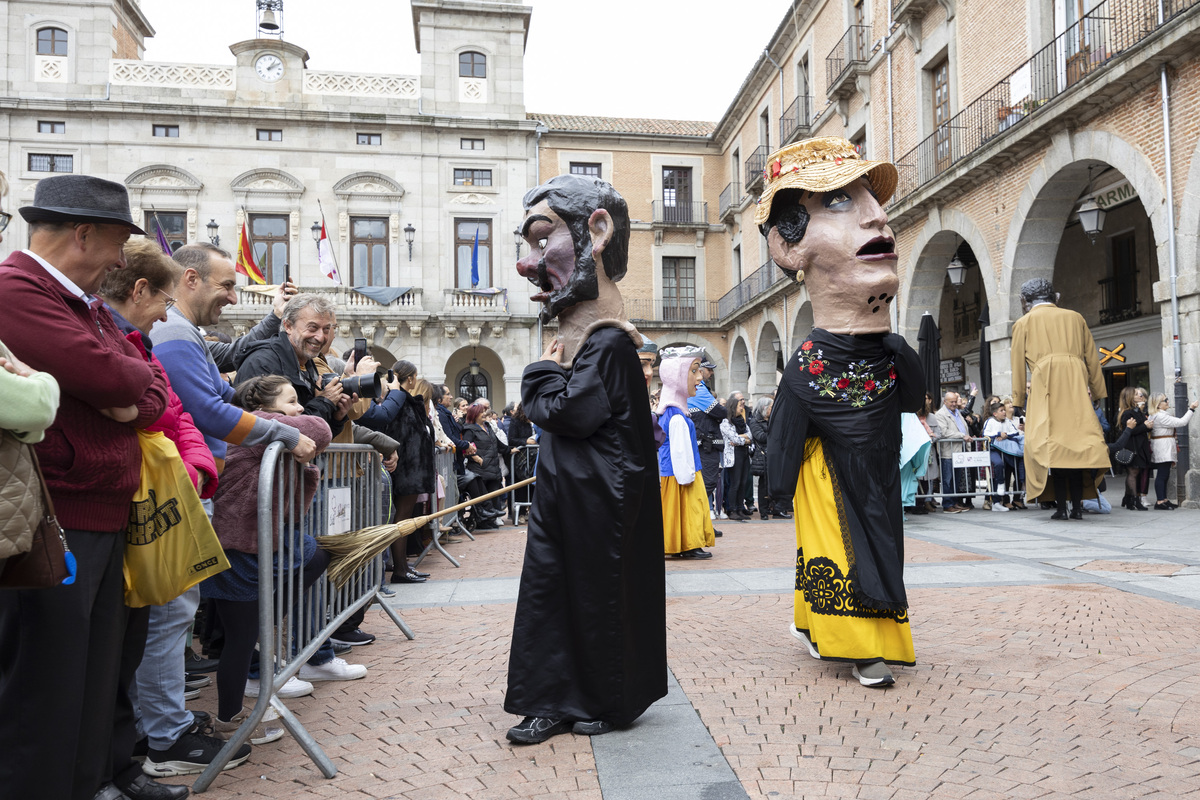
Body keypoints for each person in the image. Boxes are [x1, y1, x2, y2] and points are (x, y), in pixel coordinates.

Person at [0, 174, 171, 800]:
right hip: (54, 514)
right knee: (45, 690)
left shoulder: (80, 303)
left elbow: (147, 385)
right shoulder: (18, 291)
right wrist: (123, 390)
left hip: (97, 511)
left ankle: (86, 783)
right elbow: (116, 377)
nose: (121, 262)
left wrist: (125, 392)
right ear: (83, 234)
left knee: (93, 680)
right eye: (118, 243)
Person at [505, 174, 665, 743]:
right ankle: (552, 697)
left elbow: (569, 413)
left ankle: (603, 697)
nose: (528, 263)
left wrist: (540, 373)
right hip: (572, 497)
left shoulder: (608, 343)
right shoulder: (603, 342)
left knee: (594, 598)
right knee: (554, 595)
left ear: (596, 230)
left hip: (599, 503)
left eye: (540, 239)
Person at [761, 137, 924, 688]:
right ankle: (858, 644)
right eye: (838, 203)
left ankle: (819, 624)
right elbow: (783, 439)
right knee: (839, 538)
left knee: (879, 536)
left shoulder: (894, 352)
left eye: (874, 202)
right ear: (788, 247)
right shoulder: (809, 366)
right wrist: (779, 485)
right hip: (829, 474)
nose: (879, 217)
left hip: (879, 469)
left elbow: (912, 403)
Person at [99, 239, 239, 787]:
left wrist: (200, 465)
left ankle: (153, 731)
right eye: (225, 285)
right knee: (164, 615)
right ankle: (162, 734)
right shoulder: (169, 333)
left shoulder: (143, 334)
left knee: (165, 616)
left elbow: (171, 409)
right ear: (147, 290)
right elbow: (181, 407)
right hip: (152, 492)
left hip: (176, 483)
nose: (163, 315)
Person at [202, 376, 350, 744]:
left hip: (244, 547)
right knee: (241, 639)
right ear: (266, 409)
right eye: (292, 402)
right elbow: (319, 427)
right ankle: (231, 721)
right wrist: (292, 432)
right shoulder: (256, 429)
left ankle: (232, 717)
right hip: (238, 551)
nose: (300, 409)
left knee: (244, 635)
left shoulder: (259, 431)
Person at [1011, 278, 1109, 520]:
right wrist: (1097, 392)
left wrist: (1018, 401)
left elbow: (1017, 367)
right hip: (1076, 387)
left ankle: (1062, 508)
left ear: (1025, 301)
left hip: (1046, 389)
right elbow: (1092, 358)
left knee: (1050, 448)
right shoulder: (1076, 318)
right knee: (1076, 450)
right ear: (1055, 296)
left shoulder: (1023, 323)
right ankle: (1076, 507)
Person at [235, 294, 354, 438]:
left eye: (326, 329)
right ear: (288, 326)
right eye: (312, 328)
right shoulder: (263, 362)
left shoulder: (307, 362)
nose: (320, 337)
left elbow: (314, 436)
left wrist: (337, 417)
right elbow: (278, 431)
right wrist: (324, 402)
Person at [657, 347, 716, 559]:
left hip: (673, 474)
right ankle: (689, 543)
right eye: (694, 371)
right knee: (689, 509)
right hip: (680, 475)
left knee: (679, 510)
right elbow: (680, 451)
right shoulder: (676, 417)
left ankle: (684, 543)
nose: (699, 377)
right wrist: (688, 475)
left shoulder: (672, 413)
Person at [688, 360, 727, 524]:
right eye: (708, 371)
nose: (711, 374)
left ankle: (703, 525)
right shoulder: (699, 389)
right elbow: (720, 411)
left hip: (703, 444)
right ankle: (697, 523)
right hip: (706, 446)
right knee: (708, 483)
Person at [1147, 392, 1196, 510]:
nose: (1168, 401)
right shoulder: (1160, 416)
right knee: (1162, 474)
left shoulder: (1156, 415)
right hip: (1163, 446)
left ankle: (1163, 499)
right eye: (1165, 400)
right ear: (1158, 404)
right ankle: (1160, 501)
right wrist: (1191, 409)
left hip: (1163, 445)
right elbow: (1181, 422)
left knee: (1164, 474)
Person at [932, 391, 971, 513]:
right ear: (945, 402)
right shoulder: (940, 414)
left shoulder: (957, 412)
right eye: (952, 402)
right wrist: (962, 435)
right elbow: (944, 432)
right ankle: (947, 504)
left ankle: (954, 502)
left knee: (956, 478)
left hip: (960, 450)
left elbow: (962, 427)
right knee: (947, 479)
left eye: (955, 401)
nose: (954, 404)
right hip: (948, 452)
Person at [981, 401, 1022, 511]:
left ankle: (1001, 500)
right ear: (995, 413)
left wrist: (1006, 435)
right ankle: (996, 497)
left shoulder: (1008, 421)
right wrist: (998, 434)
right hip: (994, 450)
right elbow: (985, 434)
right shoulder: (989, 421)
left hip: (1006, 450)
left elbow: (1015, 432)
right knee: (998, 464)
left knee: (1012, 470)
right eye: (1001, 411)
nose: (1004, 412)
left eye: (1004, 410)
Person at [1117, 386, 1153, 511]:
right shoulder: (1127, 413)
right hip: (1132, 447)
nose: (1140, 396)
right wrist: (1145, 426)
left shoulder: (1137, 411)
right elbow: (1129, 431)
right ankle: (1134, 500)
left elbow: (1143, 427)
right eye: (1137, 394)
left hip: (1140, 445)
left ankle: (1128, 498)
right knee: (1133, 472)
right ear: (1130, 397)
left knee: (1135, 472)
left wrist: (1148, 426)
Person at [720, 393, 753, 520]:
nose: (742, 408)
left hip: (744, 453)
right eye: (740, 406)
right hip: (734, 455)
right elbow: (734, 438)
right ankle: (731, 509)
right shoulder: (725, 422)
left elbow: (750, 436)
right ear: (733, 407)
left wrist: (744, 439)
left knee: (743, 482)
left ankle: (740, 507)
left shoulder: (742, 421)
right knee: (735, 482)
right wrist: (744, 439)